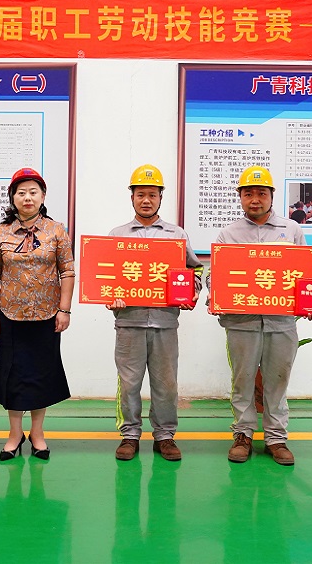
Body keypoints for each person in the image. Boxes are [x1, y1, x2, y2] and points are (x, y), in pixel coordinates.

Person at [207, 165, 312, 466]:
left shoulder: (291, 230)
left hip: (280, 321)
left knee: (278, 381)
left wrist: (311, 303)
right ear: (240, 197)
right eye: (248, 194)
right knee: (243, 381)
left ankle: (276, 438)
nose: (255, 199)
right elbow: (214, 275)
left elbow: (305, 276)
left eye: (261, 193)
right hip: (241, 322)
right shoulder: (229, 234)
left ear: (272, 195)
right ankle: (243, 435)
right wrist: (214, 293)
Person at [106, 164, 202, 462]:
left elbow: (195, 270)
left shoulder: (177, 234)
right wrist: (110, 297)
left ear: (161, 197)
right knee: (129, 383)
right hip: (129, 322)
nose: (146, 200)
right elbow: (107, 278)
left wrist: (192, 291)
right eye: (140, 194)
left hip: (164, 322)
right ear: (131, 197)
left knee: (166, 384)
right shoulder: (117, 235)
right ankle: (129, 435)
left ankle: (165, 436)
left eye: (152, 194)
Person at [0, 167, 74, 461]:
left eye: (33, 192)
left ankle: (37, 433)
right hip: (9, 316)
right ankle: (14, 434)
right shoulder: (1, 232)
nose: (27, 198)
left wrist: (64, 310)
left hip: (47, 316)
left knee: (41, 374)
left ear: (43, 196)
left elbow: (67, 272)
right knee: (11, 375)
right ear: (13, 197)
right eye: (21, 192)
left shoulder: (57, 231)